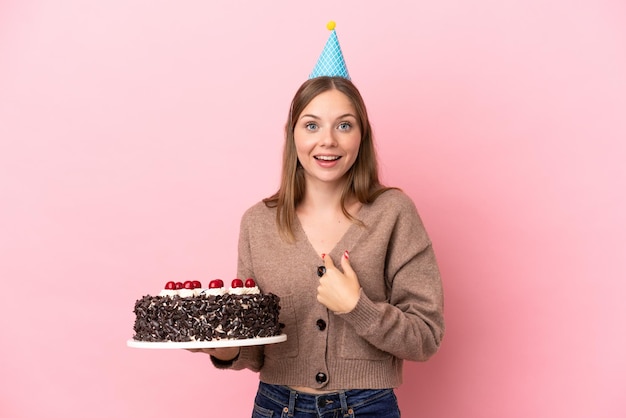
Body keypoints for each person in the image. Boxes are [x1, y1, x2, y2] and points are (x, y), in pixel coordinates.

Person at [192, 24, 444, 418]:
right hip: (277, 407)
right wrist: (226, 348)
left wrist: (357, 306)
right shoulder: (258, 223)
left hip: (366, 408)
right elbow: (258, 346)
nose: (328, 140)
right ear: (293, 135)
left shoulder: (394, 213)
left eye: (344, 125)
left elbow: (425, 338)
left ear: (361, 135)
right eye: (312, 125)